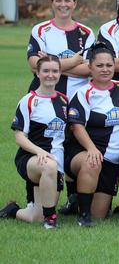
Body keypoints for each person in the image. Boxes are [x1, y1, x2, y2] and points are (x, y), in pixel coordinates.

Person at [26, 0, 95, 216]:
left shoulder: (86, 32)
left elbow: (89, 69)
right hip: (44, 98)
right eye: (59, 0)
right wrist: (71, 61)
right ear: (52, 2)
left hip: (75, 99)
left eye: (68, 0)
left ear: (75, 3)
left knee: (72, 145)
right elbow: (34, 65)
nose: (63, 4)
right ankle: (32, 201)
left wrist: (52, 67)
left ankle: (74, 198)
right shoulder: (41, 29)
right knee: (42, 144)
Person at [63, 42, 119, 227]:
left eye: (109, 65)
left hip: (112, 160)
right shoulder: (83, 93)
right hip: (86, 152)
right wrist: (91, 149)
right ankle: (83, 216)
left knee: (100, 214)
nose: (105, 69)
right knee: (91, 162)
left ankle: (79, 199)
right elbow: (76, 126)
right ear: (90, 68)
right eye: (99, 65)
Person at [9, 55, 66, 229]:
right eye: (46, 71)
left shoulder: (64, 100)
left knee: (35, 216)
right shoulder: (28, 101)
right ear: (38, 73)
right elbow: (19, 136)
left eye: (55, 71)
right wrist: (39, 151)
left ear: (60, 73)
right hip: (31, 159)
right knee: (48, 166)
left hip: (56, 162)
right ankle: (51, 220)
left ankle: (12, 211)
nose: (51, 75)